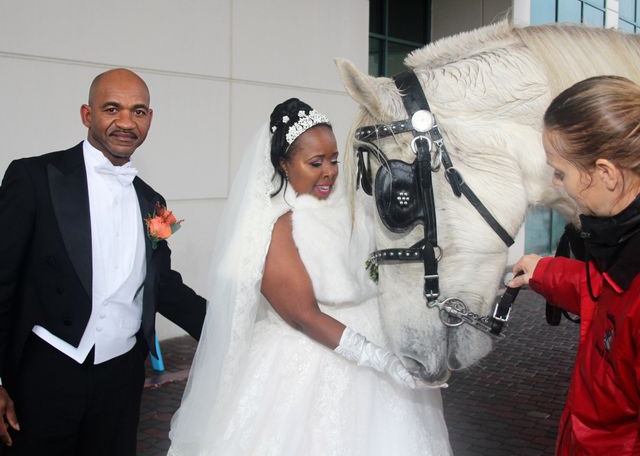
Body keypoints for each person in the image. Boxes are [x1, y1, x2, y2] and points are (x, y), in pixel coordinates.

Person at [168, 98, 452, 455]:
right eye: (315, 163)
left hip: (379, 343)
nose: (330, 172)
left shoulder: (354, 208)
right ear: (284, 164)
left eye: (334, 160)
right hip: (311, 360)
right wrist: (383, 362)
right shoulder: (275, 228)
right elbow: (303, 316)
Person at [0, 68, 207, 456]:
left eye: (139, 111)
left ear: (150, 118)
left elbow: (164, 286)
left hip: (122, 377)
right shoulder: (32, 177)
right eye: (112, 108)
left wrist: (228, 328)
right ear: (87, 114)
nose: (126, 122)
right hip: (45, 373)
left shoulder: (154, 202)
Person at [509, 75, 640, 455]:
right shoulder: (622, 250)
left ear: (606, 174)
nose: (556, 181)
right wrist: (544, 271)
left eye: (561, 171)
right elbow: (606, 294)